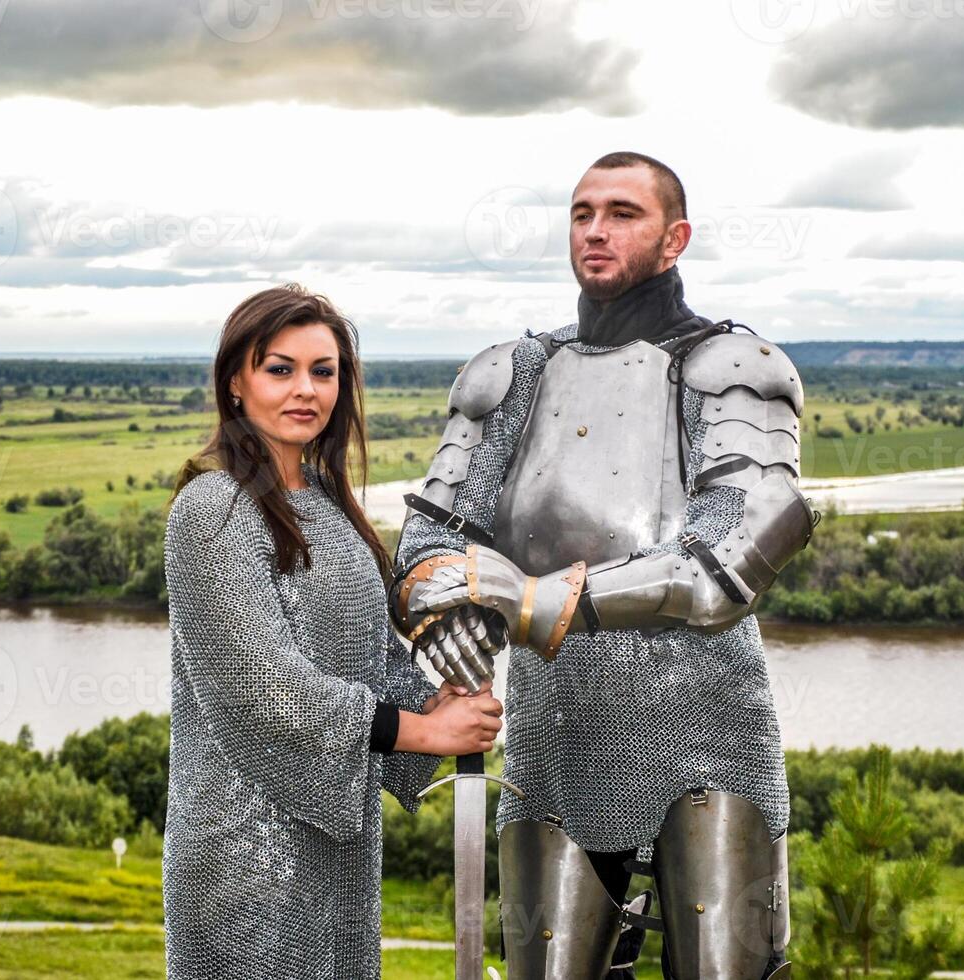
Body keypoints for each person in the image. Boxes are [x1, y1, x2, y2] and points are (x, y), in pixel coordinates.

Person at [391, 153, 815, 979]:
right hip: (555, 733)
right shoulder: (512, 375)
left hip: (705, 729)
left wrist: (531, 601)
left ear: (674, 238)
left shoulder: (731, 368)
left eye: (623, 213)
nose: (595, 229)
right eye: (582, 212)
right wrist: (446, 612)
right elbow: (428, 539)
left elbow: (726, 565)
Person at [162, 283, 504, 980]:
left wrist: (440, 698)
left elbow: (373, 659)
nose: (305, 389)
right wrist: (424, 733)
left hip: (337, 846)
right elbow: (267, 690)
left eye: (324, 371)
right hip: (241, 850)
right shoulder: (212, 508)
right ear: (236, 381)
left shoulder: (328, 508)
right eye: (279, 368)